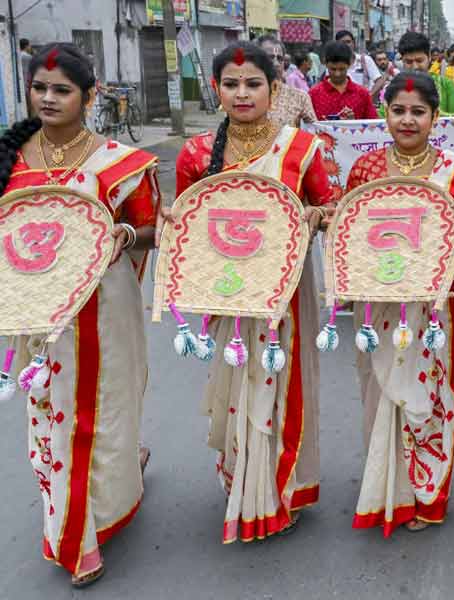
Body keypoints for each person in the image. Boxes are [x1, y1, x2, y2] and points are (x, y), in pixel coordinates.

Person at [4, 43, 158, 587]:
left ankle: (95, 516)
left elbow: (152, 229)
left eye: (61, 90)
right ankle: (74, 528)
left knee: (103, 412)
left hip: (103, 306)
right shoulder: (14, 158)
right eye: (40, 88)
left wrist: (123, 234)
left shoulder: (119, 161)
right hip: (37, 315)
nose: (47, 98)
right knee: (51, 416)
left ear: (89, 97)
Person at [173, 41, 333, 545]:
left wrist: (315, 215)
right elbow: (185, 224)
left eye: (253, 83)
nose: (242, 93)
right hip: (230, 293)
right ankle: (241, 477)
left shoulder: (302, 149)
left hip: (287, 291)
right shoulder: (197, 153)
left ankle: (280, 486)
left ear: (274, 88)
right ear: (217, 89)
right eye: (231, 84)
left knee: (283, 384)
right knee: (239, 381)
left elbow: (330, 206)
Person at [344, 72, 454, 536]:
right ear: (385, 113)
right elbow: (349, 233)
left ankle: (427, 492)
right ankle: (387, 486)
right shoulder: (364, 170)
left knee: (434, 388)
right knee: (378, 387)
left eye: (418, 111)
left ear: (435, 117)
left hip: (436, 300)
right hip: (379, 298)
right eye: (398, 110)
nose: (407, 120)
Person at [395, 32, 454, 117]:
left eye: (419, 61)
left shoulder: (446, 84)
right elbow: (383, 121)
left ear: (429, 57)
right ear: (402, 61)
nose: (415, 67)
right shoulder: (395, 87)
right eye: (409, 62)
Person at [309, 41, 378, 120]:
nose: (337, 74)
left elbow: (372, 125)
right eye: (333, 69)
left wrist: (353, 122)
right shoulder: (314, 94)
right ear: (326, 64)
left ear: (349, 65)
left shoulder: (362, 94)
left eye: (342, 69)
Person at [257, 35, 316, 125]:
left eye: (280, 59)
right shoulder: (244, 97)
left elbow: (315, 131)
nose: (276, 63)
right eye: (269, 58)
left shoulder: (300, 97)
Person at [336, 29, 385, 98]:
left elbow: (379, 81)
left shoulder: (365, 60)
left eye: (348, 42)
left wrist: (368, 96)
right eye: (342, 42)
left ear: (353, 43)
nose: (346, 45)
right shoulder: (334, 64)